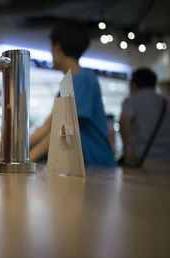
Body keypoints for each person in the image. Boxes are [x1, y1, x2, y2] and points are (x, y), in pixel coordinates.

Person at [30, 21, 116, 166]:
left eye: (51, 48)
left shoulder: (84, 79)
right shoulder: (68, 85)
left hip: (99, 166)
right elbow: (47, 127)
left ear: (57, 48)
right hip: (87, 167)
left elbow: (59, 131)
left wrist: (27, 159)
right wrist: (16, 153)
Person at [119, 68, 170, 166]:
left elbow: (124, 120)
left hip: (142, 159)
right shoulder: (166, 103)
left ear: (133, 85)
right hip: (167, 159)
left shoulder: (132, 100)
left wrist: (126, 149)